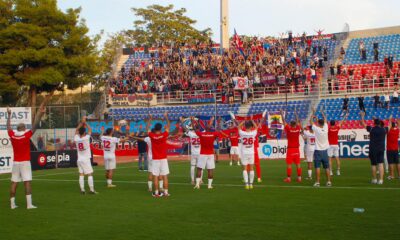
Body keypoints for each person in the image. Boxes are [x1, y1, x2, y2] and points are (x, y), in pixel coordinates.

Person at [7, 103, 47, 209]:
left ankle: (12, 204)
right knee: (27, 182)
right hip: (25, 162)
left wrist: (9, 115)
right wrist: (40, 114)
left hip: (16, 162)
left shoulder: (12, 135)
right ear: (23, 128)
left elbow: (8, 127)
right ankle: (29, 204)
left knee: (14, 182)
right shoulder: (26, 135)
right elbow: (35, 125)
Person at [192, 117, 221, 189]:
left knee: (199, 169)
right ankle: (209, 185)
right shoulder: (213, 134)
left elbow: (195, 129)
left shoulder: (201, 134)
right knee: (210, 170)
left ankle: (197, 184)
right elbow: (219, 130)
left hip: (202, 154)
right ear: (210, 128)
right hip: (210, 154)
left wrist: (192, 121)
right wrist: (218, 121)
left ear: (205, 128)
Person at [147, 112, 171, 197]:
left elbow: (148, 128)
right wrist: (166, 117)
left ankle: (157, 193)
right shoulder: (164, 135)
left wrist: (150, 119)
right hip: (163, 158)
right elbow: (168, 126)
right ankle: (166, 192)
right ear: (161, 129)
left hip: (155, 159)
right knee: (165, 176)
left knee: (155, 176)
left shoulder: (152, 136)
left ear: (155, 128)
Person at [360, 112, 386, 184]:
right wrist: (389, 120)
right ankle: (381, 180)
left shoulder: (371, 129)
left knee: (373, 165)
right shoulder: (383, 129)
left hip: (372, 149)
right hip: (381, 149)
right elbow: (388, 126)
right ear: (380, 123)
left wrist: (362, 116)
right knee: (380, 164)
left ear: (374, 123)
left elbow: (362, 123)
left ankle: (374, 179)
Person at [74, 116, 97, 194]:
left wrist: (81, 123)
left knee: (81, 174)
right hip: (86, 159)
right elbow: (90, 130)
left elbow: (76, 130)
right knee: (90, 174)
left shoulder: (76, 139)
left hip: (79, 159)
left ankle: (82, 190)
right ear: (84, 132)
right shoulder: (86, 138)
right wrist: (85, 122)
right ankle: (91, 190)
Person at [310, 110, 332, 187]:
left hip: (318, 151)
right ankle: (329, 181)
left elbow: (311, 122)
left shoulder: (317, 129)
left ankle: (317, 182)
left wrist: (312, 114)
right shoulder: (326, 128)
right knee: (327, 167)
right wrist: (322, 113)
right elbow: (325, 120)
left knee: (317, 167)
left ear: (318, 123)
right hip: (325, 151)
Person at [281, 110, 302, 183]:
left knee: (289, 164)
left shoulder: (289, 129)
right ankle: (299, 178)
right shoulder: (298, 129)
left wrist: (281, 113)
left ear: (290, 124)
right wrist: (296, 114)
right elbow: (298, 121)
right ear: (295, 124)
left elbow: (284, 121)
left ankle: (289, 178)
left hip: (290, 149)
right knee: (298, 164)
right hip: (297, 149)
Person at [238, 120, 258, 189]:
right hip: (251, 153)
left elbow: (238, 127)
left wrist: (243, 121)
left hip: (244, 153)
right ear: (251, 127)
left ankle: (246, 184)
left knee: (245, 169)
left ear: (245, 126)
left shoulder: (242, 133)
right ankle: (251, 184)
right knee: (252, 169)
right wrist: (253, 121)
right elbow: (256, 127)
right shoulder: (253, 133)